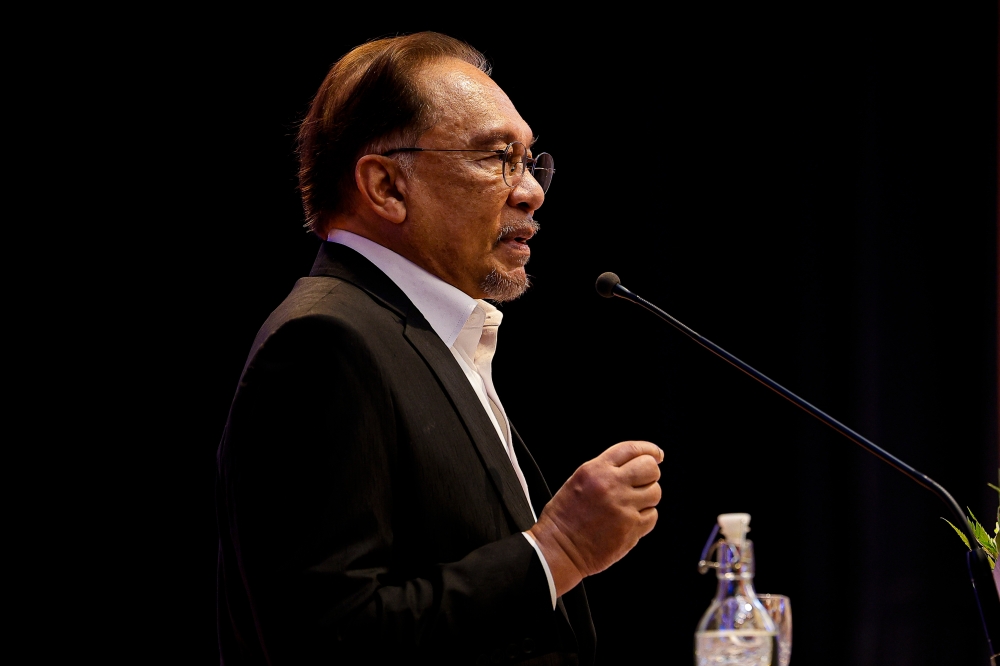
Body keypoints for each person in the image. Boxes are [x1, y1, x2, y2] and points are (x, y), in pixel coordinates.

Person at [215, 31, 663, 665]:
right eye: (496, 157)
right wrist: (556, 551)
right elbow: (321, 640)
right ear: (387, 186)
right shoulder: (324, 343)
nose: (530, 190)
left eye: (531, 161)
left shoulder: (422, 331)